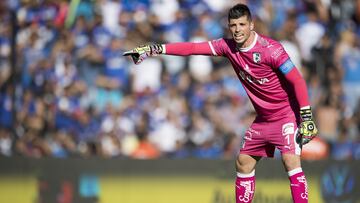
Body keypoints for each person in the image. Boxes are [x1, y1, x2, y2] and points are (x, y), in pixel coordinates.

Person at [123, 3, 318, 203]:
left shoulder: (272, 50)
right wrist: (154, 49)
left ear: (251, 25)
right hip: (263, 119)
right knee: (243, 163)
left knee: (290, 161)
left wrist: (306, 117)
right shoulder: (227, 47)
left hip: (286, 115)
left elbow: (297, 80)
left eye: (242, 24)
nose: (237, 30)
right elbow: (193, 48)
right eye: (233, 25)